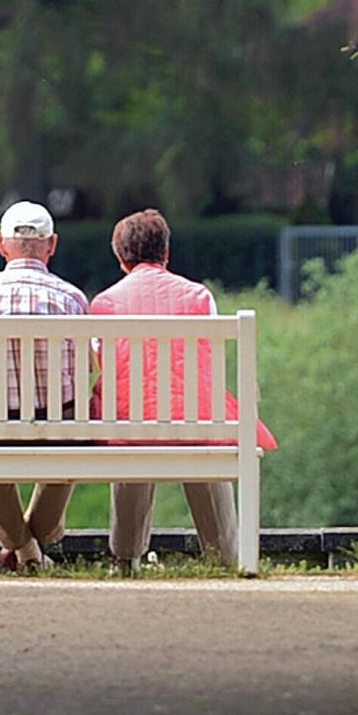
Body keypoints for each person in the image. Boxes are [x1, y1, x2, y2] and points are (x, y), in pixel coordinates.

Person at [89, 209, 278, 574]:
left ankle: (126, 557)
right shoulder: (199, 297)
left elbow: (104, 361)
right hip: (193, 422)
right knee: (203, 420)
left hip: (130, 426)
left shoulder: (105, 302)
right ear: (166, 252)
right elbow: (206, 355)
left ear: (120, 256)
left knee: (131, 419)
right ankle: (224, 554)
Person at [0, 201, 89, 571]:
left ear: (1, 245)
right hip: (59, 428)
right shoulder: (72, 298)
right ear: (52, 245)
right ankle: (36, 542)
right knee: (76, 425)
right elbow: (86, 368)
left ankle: (18, 544)